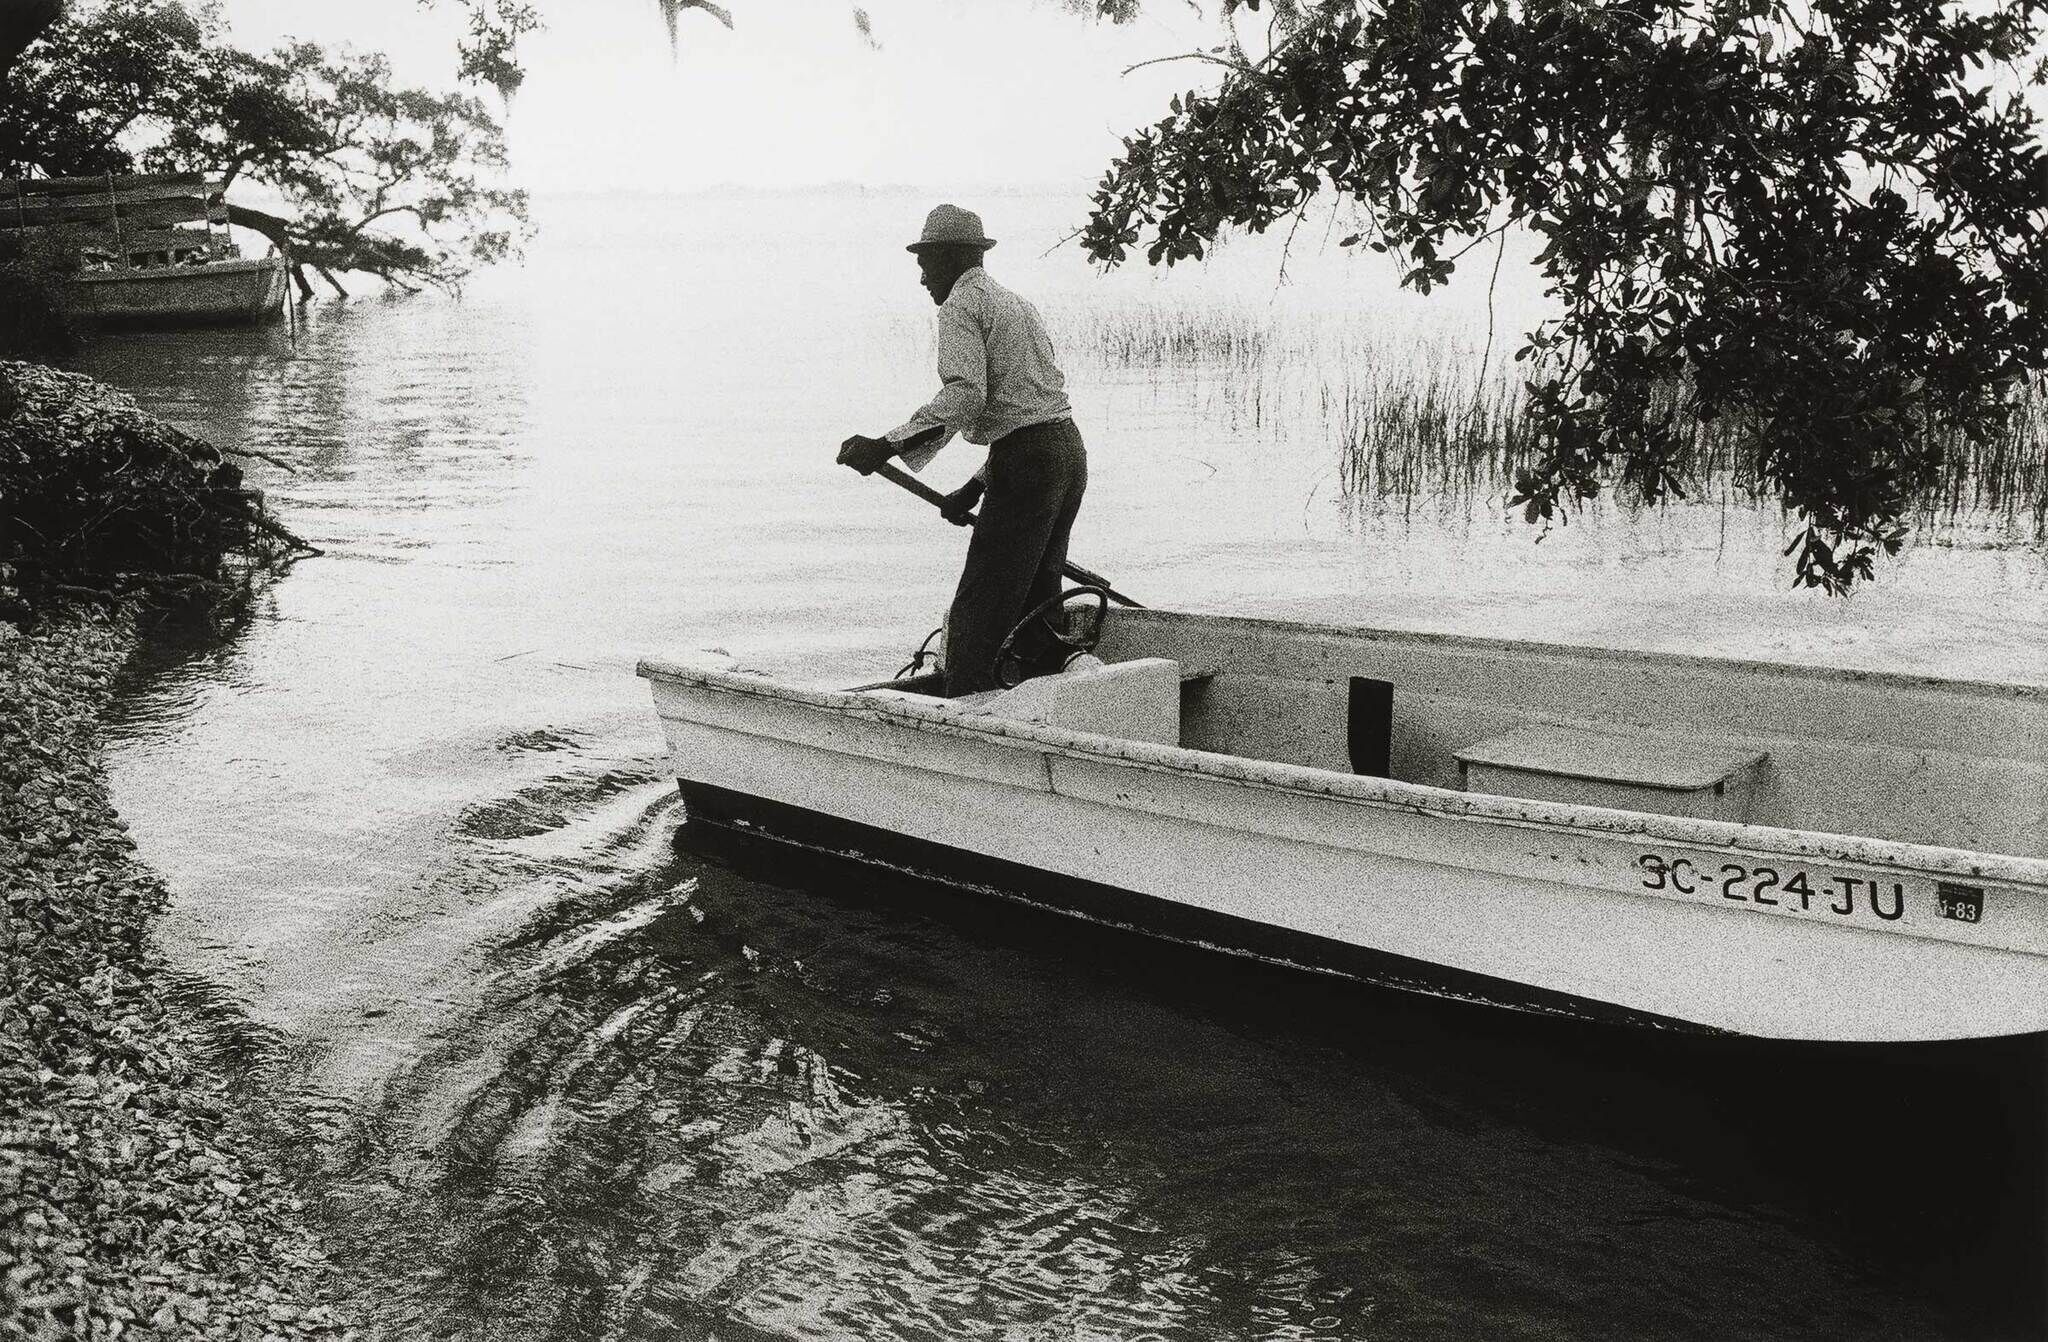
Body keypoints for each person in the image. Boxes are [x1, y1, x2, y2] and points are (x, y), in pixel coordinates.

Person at [838, 204, 1088, 696]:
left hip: (1030, 462)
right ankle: (1054, 689)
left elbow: (967, 395)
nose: (922, 275)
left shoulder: (961, 305)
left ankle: (969, 706)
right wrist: (973, 489)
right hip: (1066, 452)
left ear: (952, 257)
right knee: (1040, 592)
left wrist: (884, 446)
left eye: (927, 262)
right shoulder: (1014, 302)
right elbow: (1027, 413)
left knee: (981, 605)